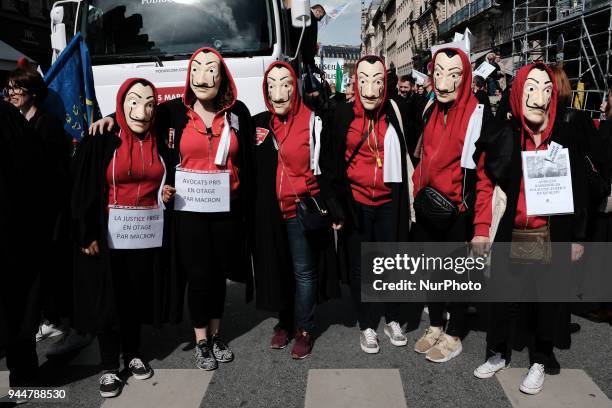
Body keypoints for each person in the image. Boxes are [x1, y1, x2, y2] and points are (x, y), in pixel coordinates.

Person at [90, 48, 255, 372]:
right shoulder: (173, 114)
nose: (203, 76)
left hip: (226, 211)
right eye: (197, 69)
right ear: (189, 76)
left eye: (211, 69)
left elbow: (248, 155)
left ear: (222, 76)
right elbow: (139, 114)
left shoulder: (238, 114)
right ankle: (201, 341)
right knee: (198, 276)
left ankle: (217, 334)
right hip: (188, 213)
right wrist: (110, 118)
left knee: (219, 275)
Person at [474, 63, 588, 395]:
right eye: (532, 90)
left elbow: (579, 187)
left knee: (547, 303)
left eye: (547, 91)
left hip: (551, 233)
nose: (539, 99)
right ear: (517, 92)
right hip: (514, 232)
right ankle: (498, 353)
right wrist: (482, 228)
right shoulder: (506, 134)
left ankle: (539, 359)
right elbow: (484, 182)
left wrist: (578, 237)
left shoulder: (563, 136)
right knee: (504, 299)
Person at [73, 78, 172, 398]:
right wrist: (86, 234)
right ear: (120, 103)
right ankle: (107, 366)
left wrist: (166, 192)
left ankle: (132, 354)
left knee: (135, 297)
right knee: (108, 300)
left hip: (145, 234)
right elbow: (83, 189)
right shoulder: (101, 139)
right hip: (108, 235)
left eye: (149, 103)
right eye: (132, 101)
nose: (141, 110)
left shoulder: (159, 139)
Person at [320, 55, 413, 354]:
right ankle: (367, 325)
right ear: (355, 83)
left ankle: (393, 318)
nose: (371, 90)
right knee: (360, 268)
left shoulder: (395, 113)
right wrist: (334, 204)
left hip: (389, 202)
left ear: (385, 84)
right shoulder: (342, 115)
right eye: (364, 81)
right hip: (356, 202)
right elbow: (329, 164)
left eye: (377, 82)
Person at [252, 62, 343, 359]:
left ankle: (303, 329)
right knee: (279, 269)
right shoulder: (260, 123)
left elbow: (326, 166)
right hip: (270, 213)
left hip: (299, 212)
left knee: (303, 272)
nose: (278, 93)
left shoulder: (313, 121)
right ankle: (285, 323)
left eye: (285, 84)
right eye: (271, 86)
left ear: (295, 87)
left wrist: (321, 200)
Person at [412, 47, 494, 363]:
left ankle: (454, 333)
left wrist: (481, 227)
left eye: (453, 75)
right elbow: (422, 156)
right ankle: (434, 324)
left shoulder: (478, 114)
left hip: (458, 212)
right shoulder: (430, 108)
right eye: (438, 74)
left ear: (465, 78)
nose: (444, 83)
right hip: (428, 208)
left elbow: (484, 177)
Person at [4, 67, 92, 355]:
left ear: (33, 91)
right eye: (9, 88)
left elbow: (56, 175)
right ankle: (53, 320)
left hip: (53, 214)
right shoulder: (16, 123)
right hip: (29, 216)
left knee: (58, 273)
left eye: (18, 88)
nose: (12, 93)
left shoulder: (49, 125)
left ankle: (76, 329)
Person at [0, 100, 47, 391]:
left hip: (14, 226)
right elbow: (38, 170)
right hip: (20, 227)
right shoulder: (11, 119)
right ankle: (24, 373)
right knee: (20, 301)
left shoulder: (8, 119)